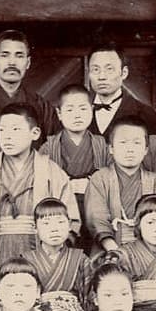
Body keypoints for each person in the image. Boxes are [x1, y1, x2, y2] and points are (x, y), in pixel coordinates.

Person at [0, 103, 79, 263]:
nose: (7, 136)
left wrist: (53, 249)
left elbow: (71, 221)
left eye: (15, 129)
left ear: (35, 133)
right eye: (2, 130)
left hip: (42, 255)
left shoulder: (52, 172)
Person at [84, 116, 156, 253]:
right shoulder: (99, 178)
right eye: (123, 142)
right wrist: (114, 250)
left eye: (137, 143)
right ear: (111, 148)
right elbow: (96, 218)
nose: (130, 149)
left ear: (146, 150)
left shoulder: (155, 181)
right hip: (109, 249)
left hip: (149, 249)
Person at [41, 84, 110, 249]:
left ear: (92, 110)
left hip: (96, 210)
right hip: (61, 212)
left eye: (83, 109)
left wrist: (93, 184)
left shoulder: (102, 145)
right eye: (70, 110)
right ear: (59, 113)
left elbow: (111, 179)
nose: (77, 115)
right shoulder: (49, 147)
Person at [21, 199, 89, 311]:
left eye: (60, 222)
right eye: (46, 223)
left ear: (70, 225)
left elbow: (89, 301)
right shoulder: (26, 261)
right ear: (35, 228)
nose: (54, 229)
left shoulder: (80, 259)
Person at [0, 31, 59, 137]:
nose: (12, 62)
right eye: (5, 55)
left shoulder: (43, 108)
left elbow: (53, 144)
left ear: (28, 62)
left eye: (19, 56)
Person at [85, 46, 156, 137]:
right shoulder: (78, 111)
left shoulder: (147, 114)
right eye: (96, 69)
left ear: (124, 73)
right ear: (89, 73)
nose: (102, 77)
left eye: (109, 69)